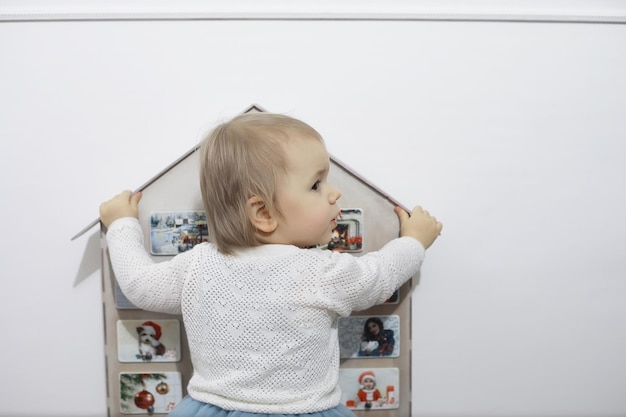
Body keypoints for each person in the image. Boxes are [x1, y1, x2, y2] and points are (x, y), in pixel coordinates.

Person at [99, 112, 442, 417]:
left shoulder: (197, 266)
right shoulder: (321, 272)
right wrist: (414, 240)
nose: (335, 193)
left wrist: (122, 224)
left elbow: (139, 285)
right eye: (316, 184)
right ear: (263, 213)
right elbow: (379, 277)